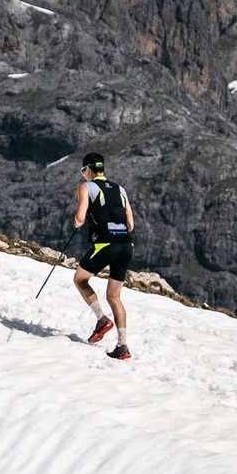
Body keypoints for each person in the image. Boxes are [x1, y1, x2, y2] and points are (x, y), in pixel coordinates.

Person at [70, 152, 136, 360]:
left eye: (83, 171)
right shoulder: (120, 189)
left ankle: (101, 319)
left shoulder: (86, 187)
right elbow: (131, 223)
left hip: (106, 243)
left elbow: (81, 216)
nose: (83, 175)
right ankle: (122, 346)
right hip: (126, 244)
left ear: (88, 169)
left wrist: (78, 220)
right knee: (114, 296)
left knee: (80, 279)